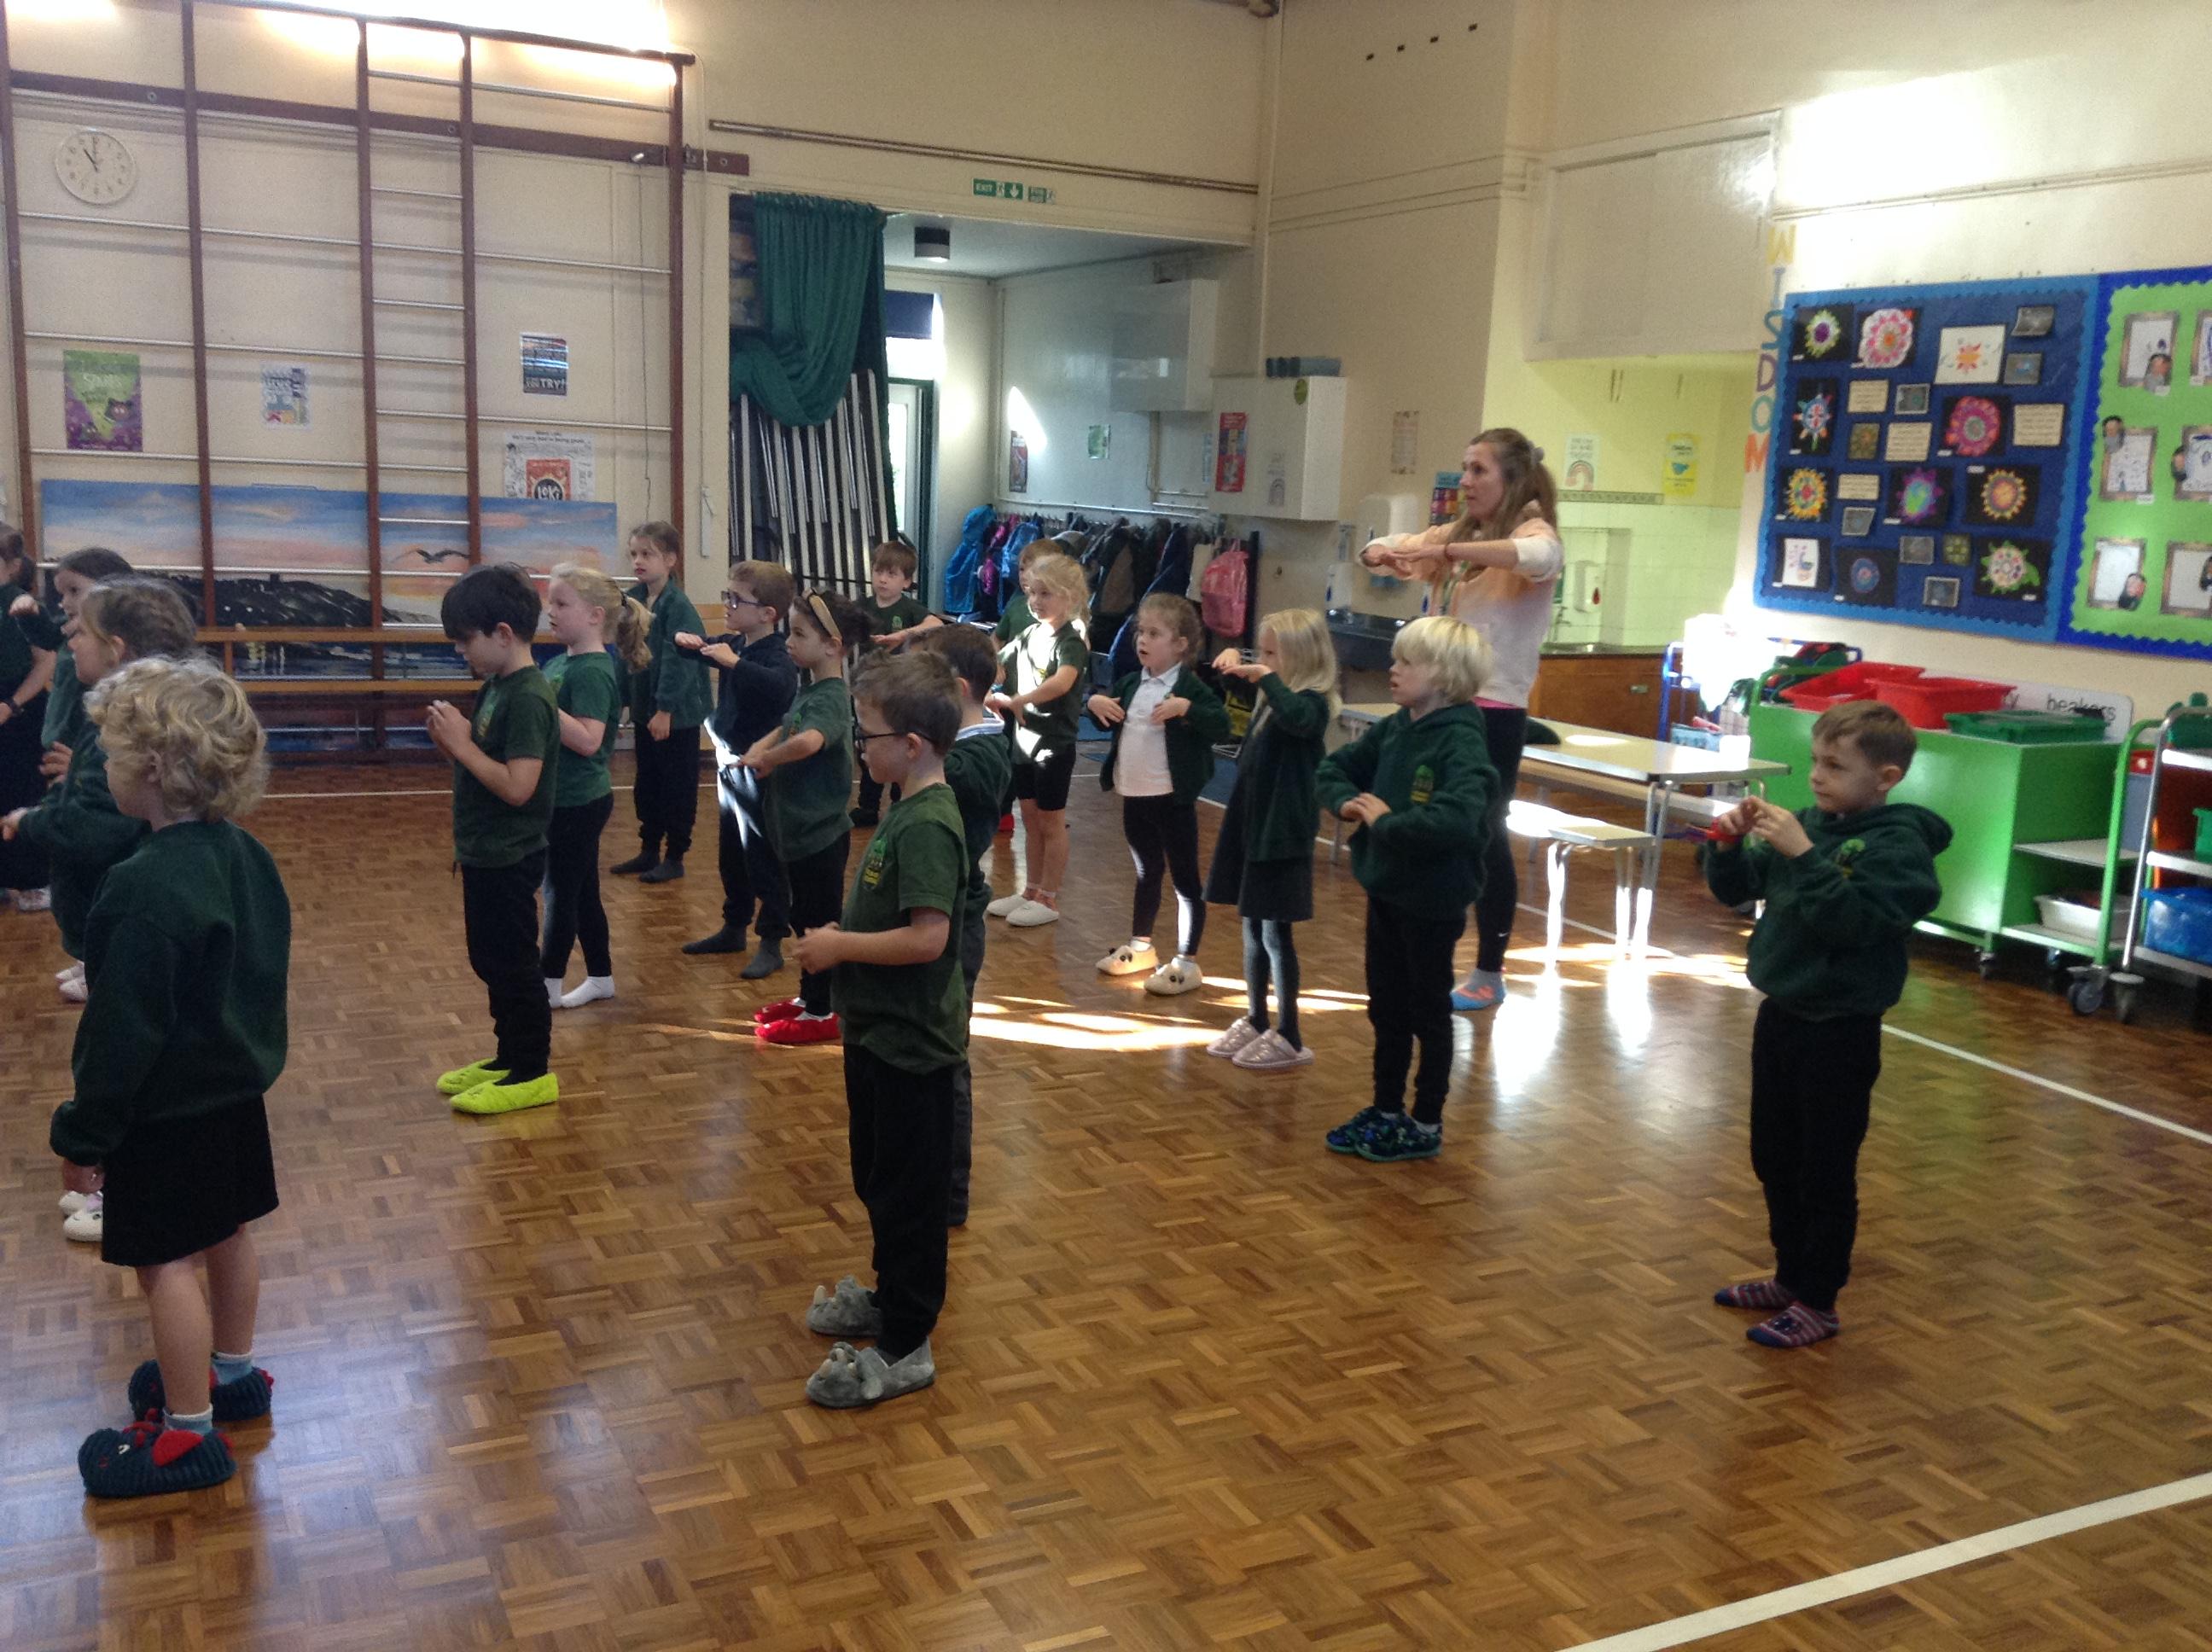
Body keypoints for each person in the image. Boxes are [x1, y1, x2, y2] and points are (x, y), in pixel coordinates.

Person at [55, 655, 288, 1498]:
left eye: (109, 754)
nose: (101, 768)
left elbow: (120, 1035)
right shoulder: (246, 854)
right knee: (229, 1233)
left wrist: (84, 1136)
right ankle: (232, 1375)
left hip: (166, 1110)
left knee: (165, 1265)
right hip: (235, 1095)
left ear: (152, 768)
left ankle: (187, 1435)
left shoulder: (141, 888)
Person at [1701, 700, 1949, 1349]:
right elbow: (1737, 890)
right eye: (1815, 760)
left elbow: (1855, 923)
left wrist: (1806, 855)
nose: (1816, 776)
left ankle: (1819, 1300)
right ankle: (1789, 1277)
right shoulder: (1810, 825)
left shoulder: (1899, 848)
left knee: (1825, 1169)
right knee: (1774, 1156)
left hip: (1840, 1029)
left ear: (1886, 777)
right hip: (1781, 1014)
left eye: (1836, 766)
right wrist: (1726, 841)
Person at [796, 650, 969, 1410]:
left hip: (912, 1048)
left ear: (913, 744)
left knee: (909, 1197)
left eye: (866, 735)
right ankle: (890, 1295)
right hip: (877, 1037)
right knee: (878, 1178)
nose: (858, 747)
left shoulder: (929, 822)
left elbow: (929, 939)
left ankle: (907, 1343)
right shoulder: (904, 804)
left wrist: (840, 947)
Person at [1363, 428, 1562, 1013]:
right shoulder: (1459, 534)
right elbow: (1382, 546)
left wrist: (1449, 553)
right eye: (1465, 468)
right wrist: (1386, 553)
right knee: (1424, 820)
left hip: (1493, 714)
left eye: (1479, 471)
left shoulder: (1533, 534)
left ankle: (1488, 970)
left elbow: (1538, 559)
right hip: (1440, 709)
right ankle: (1419, 946)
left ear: (1512, 479)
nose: (1466, 482)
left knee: (1484, 835)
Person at [1316, 615, 1497, 1163]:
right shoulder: (1398, 726)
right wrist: (1346, 803)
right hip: (1388, 890)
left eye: (1406, 662)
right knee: (1387, 1007)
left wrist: (1388, 823)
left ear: (1442, 675)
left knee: (1427, 1013)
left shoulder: (1461, 741)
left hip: (1432, 900)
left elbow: (1459, 819)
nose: (1392, 670)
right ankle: (1387, 1109)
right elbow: (1334, 768)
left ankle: (1425, 1122)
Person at [427, 565, 562, 1115]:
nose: (461, 651)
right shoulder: (497, 687)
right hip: (484, 853)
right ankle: (508, 1057)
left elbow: (518, 787)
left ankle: (532, 1071)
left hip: (510, 855)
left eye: (465, 640)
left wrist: (462, 746)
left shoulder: (528, 696)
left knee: (513, 964)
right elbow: (487, 769)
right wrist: (454, 746)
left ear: (503, 633)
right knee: (490, 959)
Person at [1202, 608, 1339, 1072]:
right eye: (1261, 652)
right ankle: (1257, 1017)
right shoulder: (1272, 697)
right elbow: (1240, 700)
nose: (1262, 661)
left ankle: (1291, 1033)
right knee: (1252, 927)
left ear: (1300, 657)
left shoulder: (1312, 703)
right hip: (1253, 826)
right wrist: (1231, 669)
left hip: (1282, 834)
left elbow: (1299, 718)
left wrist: (1266, 678)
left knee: (1276, 934)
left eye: (1272, 654)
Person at [742, 590, 871, 1047]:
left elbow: (810, 740)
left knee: (818, 925)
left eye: (799, 634)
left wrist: (770, 758)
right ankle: (809, 996)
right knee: (804, 919)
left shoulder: (833, 696)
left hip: (820, 837)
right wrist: (763, 744)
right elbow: (790, 726)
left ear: (834, 646)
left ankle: (824, 1009)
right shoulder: (811, 689)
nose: (788, 642)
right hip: (798, 833)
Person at [1086, 592, 1229, 996]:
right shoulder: (1133, 682)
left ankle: (1187, 960)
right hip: (1135, 795)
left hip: (1172, 799)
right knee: (1146, 871)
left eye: (1154, 633)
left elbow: (1220, 726)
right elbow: (1109, 720)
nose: (1142, 640)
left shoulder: (1190, 687)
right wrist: (1095, 703)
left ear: (1180, 644)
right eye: (1140, 632)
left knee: (1185, 881)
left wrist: (1187, 709)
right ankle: (1140, 946)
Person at [920, 624, 1012, 1226]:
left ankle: (950, 1193)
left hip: (958, 920)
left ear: (955, 690)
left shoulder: (975, 758)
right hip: (946, 911)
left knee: (948, 1054)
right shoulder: (961, 745)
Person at [678, 560, 800, 975]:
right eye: (727, 595)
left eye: (735, 599)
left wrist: (733, 663)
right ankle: (734, 926)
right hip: (729, 768)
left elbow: (780, 687)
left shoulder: (777, 653)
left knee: (764, 855)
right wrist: (684, 640)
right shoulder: (736, 643)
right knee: (731, 853)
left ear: (767, 613)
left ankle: (772, 940)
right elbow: (699, 648)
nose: (727, 604)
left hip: (760, 770)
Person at [539, 563, 649, 1012]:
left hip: (579, 801)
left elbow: (588, 740)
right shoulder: (562, 663)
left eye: (561, 603)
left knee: (560, 893)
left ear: (595, 615)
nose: (551, 611)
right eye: (550, 602)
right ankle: (601, 977)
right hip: (563, 797)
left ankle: (547, 985)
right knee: (582, 892)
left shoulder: (592, 671)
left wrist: (539, 701)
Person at [985, 550, 1089, 927]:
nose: (1036, 600)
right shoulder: (1028, 634)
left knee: (1051, 821)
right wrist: (987, 683)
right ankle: (1030, 889)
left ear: (1070, 597)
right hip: (1023, 743)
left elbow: (1061, 683)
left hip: (1053, 746)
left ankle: (1049, 896)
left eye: (1046, 594)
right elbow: (998, 663)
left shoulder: (1070, 642)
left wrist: (1020, 699)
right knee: (1029, 819)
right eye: (1033, 592)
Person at [613, 521, 712, 884]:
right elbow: (625, 652)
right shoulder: (633, 599)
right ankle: (649, 848)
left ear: (670, 559)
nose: (638, 561)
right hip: (645, 711)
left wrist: (665, 708)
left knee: (677, 786)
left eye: (647, 554)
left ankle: (675, 856)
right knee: (648, 783)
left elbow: (679, 659)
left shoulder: (678, 606)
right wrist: (622, 700)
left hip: (676, 716)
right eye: (634, 554)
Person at [851, 540, 943, 827]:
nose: (882, 579)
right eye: (878, 571)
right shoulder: (864, 606)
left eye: (891, 574)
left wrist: (903, 635)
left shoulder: (909, 608)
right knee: (869, 746)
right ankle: (867, 805)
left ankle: (898, 801)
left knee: (898, 744)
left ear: (906, 581)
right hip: (869, 688)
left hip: (900, 690)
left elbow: (936, 624)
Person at [0, 524, 58, 916]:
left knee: (20, 792)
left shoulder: (22, 605)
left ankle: (31, 880)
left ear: (13, 565)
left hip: (19, 710)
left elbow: (45, 662)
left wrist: (11, 704)